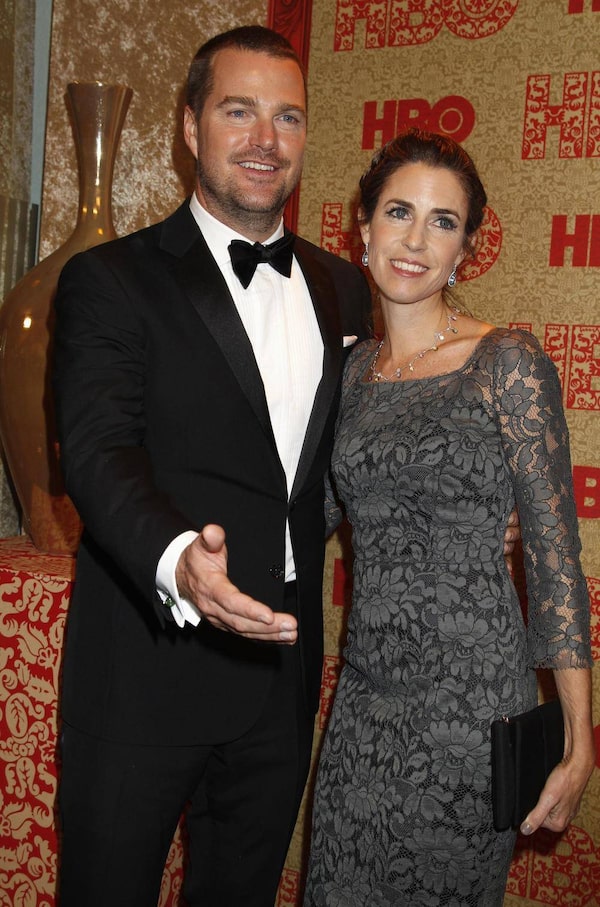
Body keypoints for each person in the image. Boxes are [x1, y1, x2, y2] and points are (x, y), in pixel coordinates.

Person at [51, 25, 374, 907]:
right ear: (191, 127)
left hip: (280, 680)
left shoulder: (343, 287)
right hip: (144, 669)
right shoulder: (110, 279)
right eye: (239, 111)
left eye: (287, 117)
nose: (266, 139)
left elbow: (355, 449)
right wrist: (177, 557)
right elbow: (97, 450)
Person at [304, 129, 595, 907]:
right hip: (363, 704)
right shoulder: (353, 372)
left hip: (469, 713)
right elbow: (310, 514)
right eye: (399, 212)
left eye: (443, 222)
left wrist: (579, 738)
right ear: (363, 226)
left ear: (464, 248)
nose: (415, 240)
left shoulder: (507, 362)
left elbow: (555, 557)